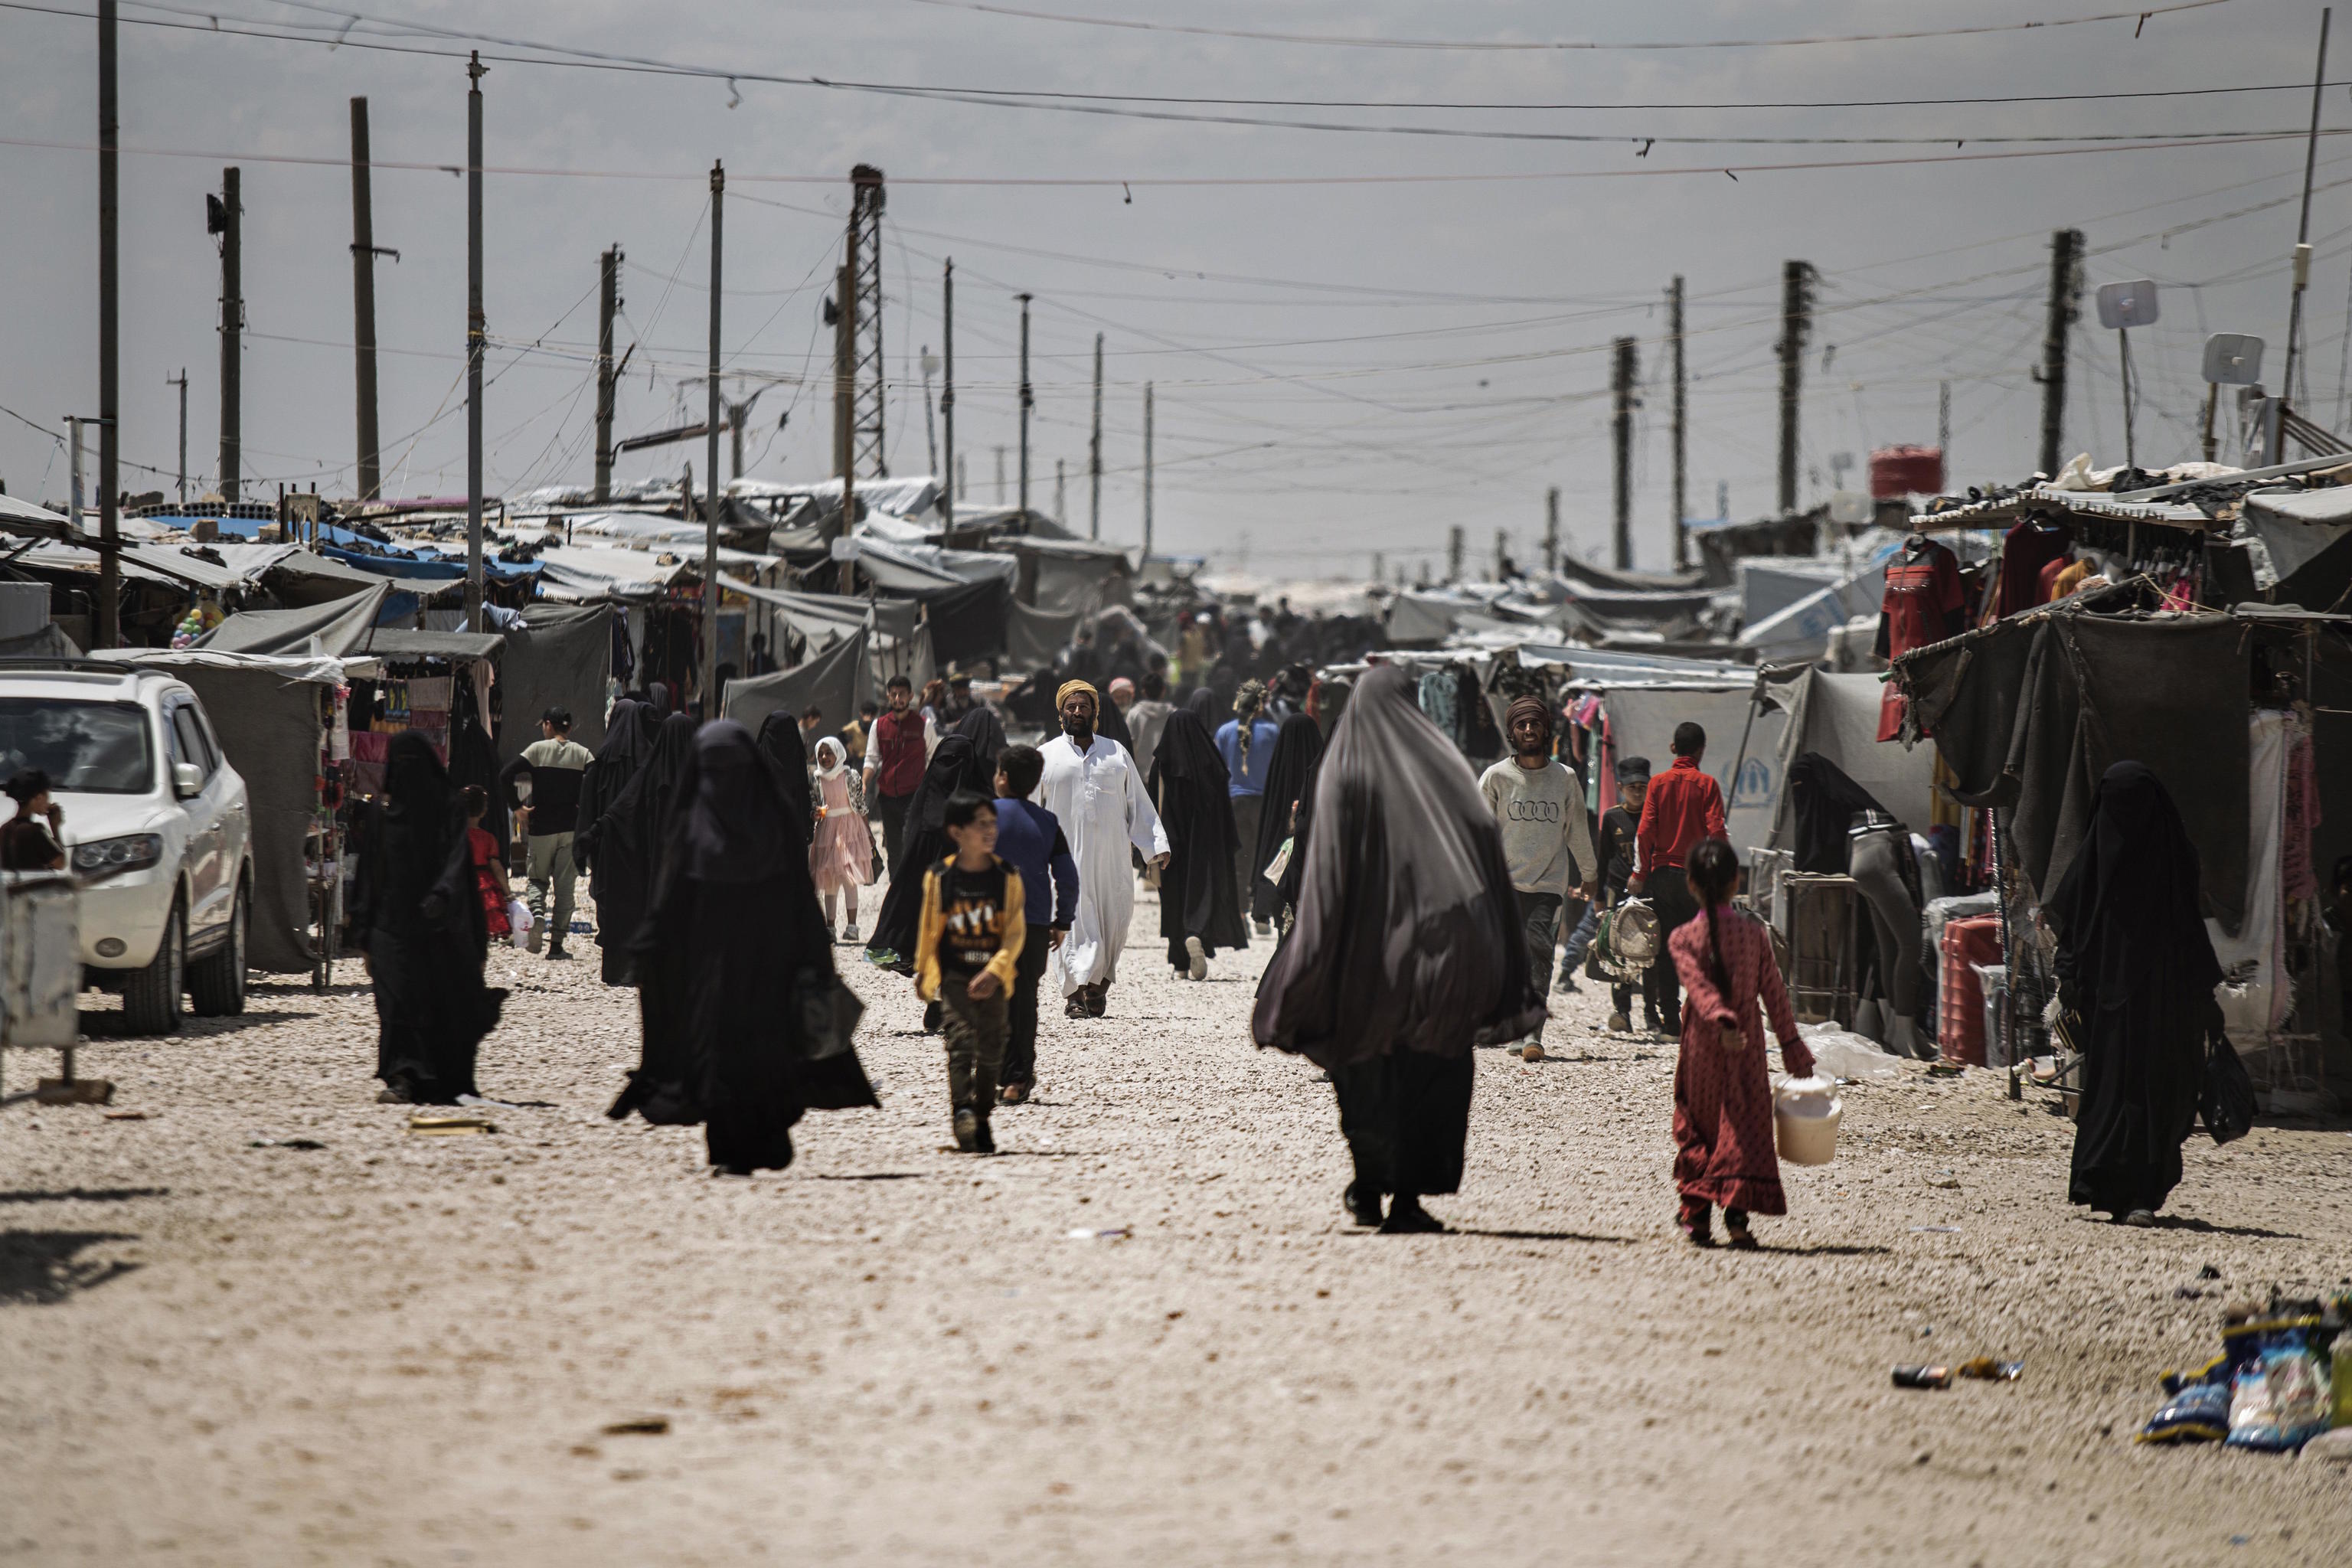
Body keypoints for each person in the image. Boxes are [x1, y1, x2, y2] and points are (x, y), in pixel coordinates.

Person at [1252, 665, 1545, 1234]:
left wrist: (1316, 950)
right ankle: (1406, 1197)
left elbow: (1325, 869)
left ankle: (1368, 1184)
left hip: (1365, 957)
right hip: (1436, 952)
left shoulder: (1344, 772)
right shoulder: (1442, 766)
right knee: (1431, 1070)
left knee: (1363, 1070)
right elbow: (1483, 848)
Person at [612, 721, 878, 1174]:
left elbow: (799, 903)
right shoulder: (731, 825)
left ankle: (762, 1132)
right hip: (722, 971)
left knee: (757, 1049)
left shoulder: (715, 826)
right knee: (722, 1051)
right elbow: (669, 905)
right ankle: (732, 1143)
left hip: (762, 968)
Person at [2047, 763, 2226, 1226]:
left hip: (2162, 1005)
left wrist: (2205, 1001)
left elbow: (2189, 930)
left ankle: (2142, 1194)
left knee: (2154, 1092)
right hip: (2108, 1005)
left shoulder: (2173, 863)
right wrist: (2068, 982)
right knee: (2110, 1092)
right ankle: (2107, 1186)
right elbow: (2074, 930)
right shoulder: (2096, 863)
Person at [1666, 837, 1815, 1248]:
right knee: (1742, 1126)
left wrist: (1717, 1018)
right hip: (1747, 1049)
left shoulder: (1681, 938)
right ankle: (1737, 1220)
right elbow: (1775, 994)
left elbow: (1697, 988)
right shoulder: (1754, 936)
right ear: (1736, 882)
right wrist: (1791, 1047)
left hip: (1701, 1049)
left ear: (1691, 884)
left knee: (1699, 1125)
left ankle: (1696, 1215)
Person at [352, 733, 503, 1104]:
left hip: (433, 927)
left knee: (427, 1001)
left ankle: (428, 1075)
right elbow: (369, 875)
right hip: (391, 927)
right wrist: (364, 933)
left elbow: (456, 866)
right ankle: (400, 1075)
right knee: (394, 1003)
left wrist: (440, 898)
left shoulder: (446, 812)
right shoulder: (382, 815)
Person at [1034, 681, 1169, 1020]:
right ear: (1061, 712)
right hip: (1064, 857)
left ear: (1095, 712)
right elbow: (1031, 807)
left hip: (1112, 858)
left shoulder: (1115, 753)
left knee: (1114, 921)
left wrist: (1155, 846)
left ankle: (1099, 984)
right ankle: (1076, 993)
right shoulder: (1046, 755)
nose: (1077, 712)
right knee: (1073, 919)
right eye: (1071, 707)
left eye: (1083, 707)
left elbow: (1137, 803)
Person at [1478, 695, 1600, 1041]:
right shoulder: (1496, 777)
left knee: (1540, 956)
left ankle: (1531, 1033)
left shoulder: (1564, 778)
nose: (1529, 730)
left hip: (1548, 885)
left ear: (1546, 730)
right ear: (1511, 732)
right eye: (1522, 725)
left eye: (1535, 724)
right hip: (1503, 887)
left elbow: (1576, 829)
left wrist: (1589, 874)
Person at [913, 791, 1026, 1154]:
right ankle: (961, 1109)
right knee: (960, 1044)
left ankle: (980, 1115)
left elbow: (1014, 932)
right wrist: (924, 972)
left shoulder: (1007, 877)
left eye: (992, 823)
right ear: (957, 832)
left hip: (993, 979)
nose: (990, 830)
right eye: (981, 825)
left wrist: (995, 971)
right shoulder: (941, 877)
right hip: (957, 978)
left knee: (993, 1048)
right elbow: (930, 928)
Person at [573, 712, 697, 985]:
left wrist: (593, 832)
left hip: (651, 863)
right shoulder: (700, 776)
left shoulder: (651, 771)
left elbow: (622, 810)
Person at [991, 744, 1078, 1106]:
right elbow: (1067, 877)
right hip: (1034, 924)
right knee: (1025, 1000)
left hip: (986, 922)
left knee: (986, 996)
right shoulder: (1047, 823)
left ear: (1003, 778)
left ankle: (988, 1067)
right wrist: (1063, 921)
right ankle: (1017, 1078)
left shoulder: (983, 816)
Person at [1628, 721, 1726, 1035]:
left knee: (1669, 948)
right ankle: (1698, 1015)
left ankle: (1670, 1020)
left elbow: (1645, 832)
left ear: (1673, 748)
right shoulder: (1707, 785)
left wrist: (1639, 873)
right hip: (1695, 879)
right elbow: (1717, 833)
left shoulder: (1658, 783)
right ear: (1701, 750)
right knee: (1700, 947)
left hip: (1663, 878)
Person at [864, 733, 985, 974]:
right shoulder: (925, 805)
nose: (951, 769)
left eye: (958, 762)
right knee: (910, 891)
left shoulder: (973, 804)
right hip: (926, 853)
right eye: (946, 761)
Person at [1150, 707, 1249, 982]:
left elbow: (1151, 807)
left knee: (1173, 901)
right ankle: (1197, 934)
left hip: (1171, 848)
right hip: (1207, 846)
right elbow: (1224, 809)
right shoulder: (1211, 762)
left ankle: (1179, 964)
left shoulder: (1162, 763)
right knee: (1203, 894)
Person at [497, 706, 593, 959]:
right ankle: (557, 946)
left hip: (540, 829)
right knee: (565, 889)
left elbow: (505, 775)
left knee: (538, 880)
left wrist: (517, 809)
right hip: (570, 829)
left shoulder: (537, 750)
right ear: (569, 728)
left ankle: (538, 915)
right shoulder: (583, 754)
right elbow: (597, 780)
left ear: (549, 725)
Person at [1583, 759, 1663, 1033]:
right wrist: (1597, 897)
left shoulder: (1655, 816)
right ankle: (1622, 1012)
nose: (1638, 792)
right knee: (1619, 952)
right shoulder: (1612, 817)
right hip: (1618, 892)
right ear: (1621, 787)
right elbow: (1603, 856)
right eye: (1632, 787)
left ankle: (1652, 1015)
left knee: (1651, 954)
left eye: (1643, 786)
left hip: (1651, 892)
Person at [1215, 680, 1285, 935]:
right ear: (1261, 705)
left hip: (1234, 802)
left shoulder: (1224, 732)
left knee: (1239, 862)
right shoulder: (1272, 731)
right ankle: (1263, 916)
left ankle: (1241, 915)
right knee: (1267, 859)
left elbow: (1217, 769)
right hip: (1264, 804)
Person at [1250, 712, 1323, 929]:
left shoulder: (1279, 770)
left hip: (1280, 854)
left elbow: (1269, 823)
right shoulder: (1321, 768)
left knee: (1285, 919)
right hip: (1313, 853)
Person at [809, 737, 875, 942]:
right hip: (827, 829)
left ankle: (852, 926)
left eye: (829, 753)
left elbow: (860, 806)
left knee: (849, 877)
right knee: (829, 879)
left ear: (837, 753)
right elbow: (813, 804)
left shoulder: (850, 776)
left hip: (849, 829)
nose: (825, 757)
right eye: (821, 754)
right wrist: (815, 814)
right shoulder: (816, 779)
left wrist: (868, 832)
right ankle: (830, 927)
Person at [864, 675, 926, 873]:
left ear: (911, 696)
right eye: (894, 694)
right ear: (889, 696)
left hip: (914, 795)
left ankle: (913, 889)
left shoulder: (924, 724)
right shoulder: (879, 725)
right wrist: (864, 783)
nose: (898, 698)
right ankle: (895, 891)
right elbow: (872, 758)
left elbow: (933, 757)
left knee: (912, 842)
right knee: (894, 847)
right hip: (888, 797)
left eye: (902, 694)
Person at [461, 785, 512, 942]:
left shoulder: (455, 836)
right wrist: (508, 893)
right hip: (483, 879)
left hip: (461, 877)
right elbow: (496, 868)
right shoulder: (488, 838)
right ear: (483, 811)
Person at [1, 770, 66, 871]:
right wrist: (55, 826)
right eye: (47, 796)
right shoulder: (36, 831)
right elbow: (61, 863)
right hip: (34, 886)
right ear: (39, 798)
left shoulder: (4, 829)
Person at [1126, 671, 1174, 781]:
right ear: (1163, 691)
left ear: (1143, 692)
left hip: (1140, 776)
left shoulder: (1134, 714)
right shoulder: (1173, 714)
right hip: (1166, 776)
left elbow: (1129, 744)